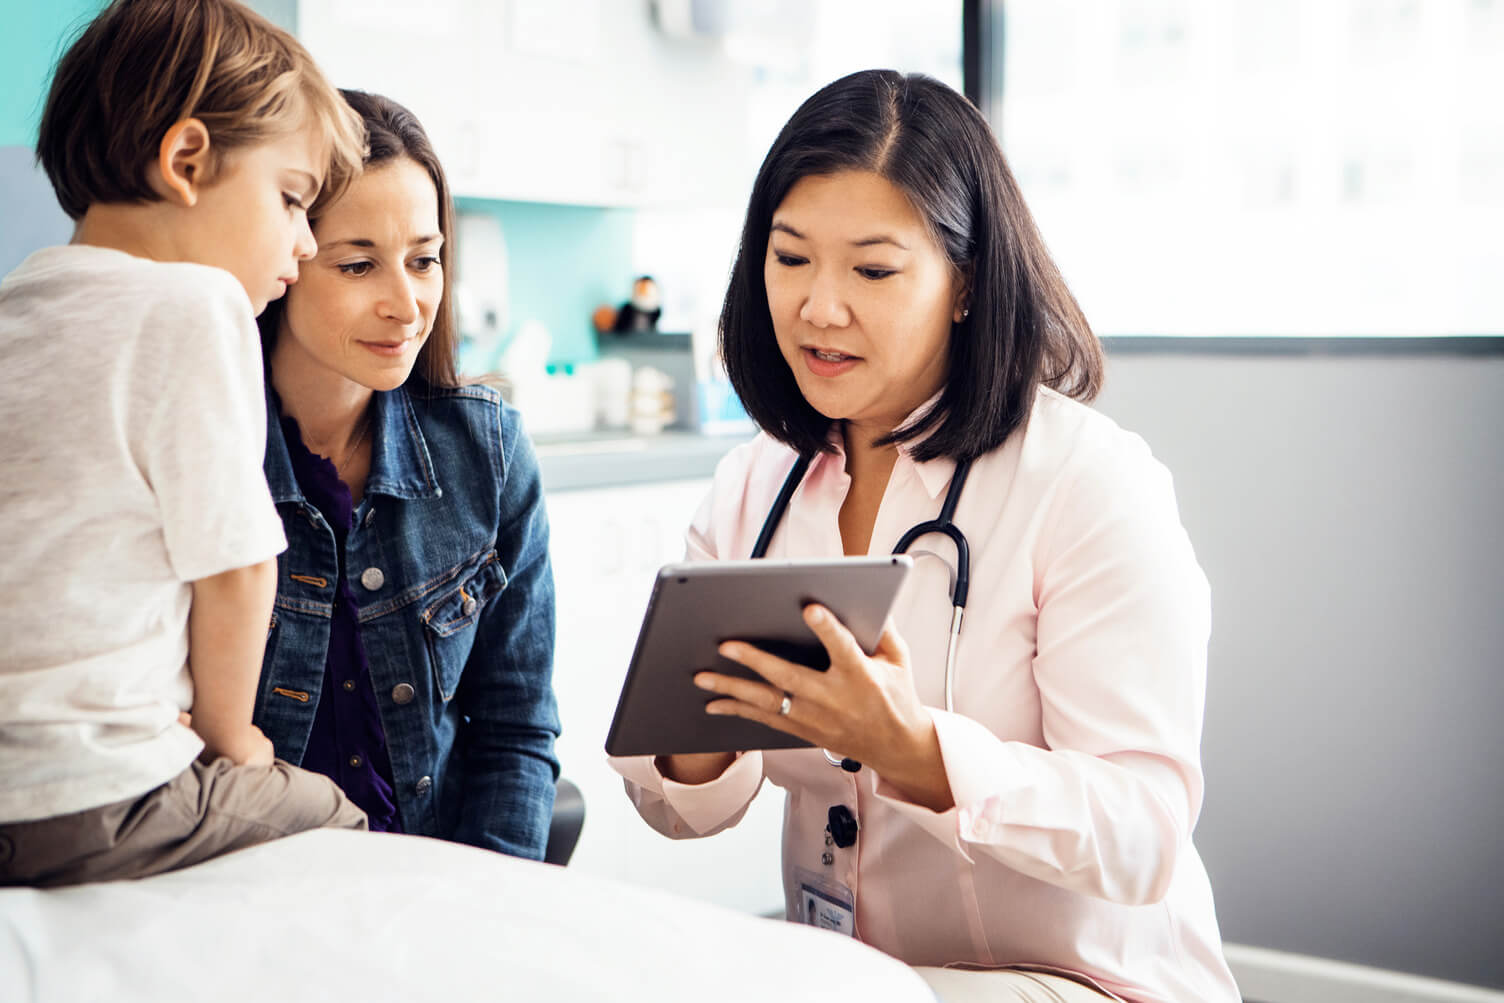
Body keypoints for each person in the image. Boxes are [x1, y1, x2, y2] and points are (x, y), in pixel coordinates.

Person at [610, 70, 1241, 1003]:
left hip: (1086, 982)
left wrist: (917, 751)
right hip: (860, 975)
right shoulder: (758, 484)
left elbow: (1142, 833)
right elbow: (682, 805)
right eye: (790, 259)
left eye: (872, 270)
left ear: (965, 284)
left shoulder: (1086, 482)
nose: (821, 307)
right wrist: (696, 740)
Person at [0, 0, 369, 887]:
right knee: (341, 819)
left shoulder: (17, 311)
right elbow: (238, 566)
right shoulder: (194, 307)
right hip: (100, 795)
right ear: (186, 161)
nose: (306, 242)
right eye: (290, 199)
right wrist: (231, 741)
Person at [253, 90, 561, 859]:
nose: (407, 303)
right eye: (358, 264)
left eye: (425, 260)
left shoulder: (486, 451)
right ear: (285, 256)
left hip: (436, 887)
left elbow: (516, 729)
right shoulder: (203, 447)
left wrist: (484, 902)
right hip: (249, 890)